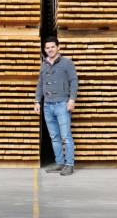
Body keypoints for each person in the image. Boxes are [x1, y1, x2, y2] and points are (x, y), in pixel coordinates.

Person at [34, 36, 78, 176]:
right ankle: (59, 163)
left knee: (65, 136)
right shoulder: (44, 64)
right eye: (47, 48)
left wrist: (72, 99)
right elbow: (40, 84)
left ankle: (69, 165)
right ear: (44, 50)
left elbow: (74, 81)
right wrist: (37, 101)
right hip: (48, 105)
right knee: (55, 137)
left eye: (52, 47)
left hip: (61, 105)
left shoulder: (67, 63)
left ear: (58, 47)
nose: (50, 50)